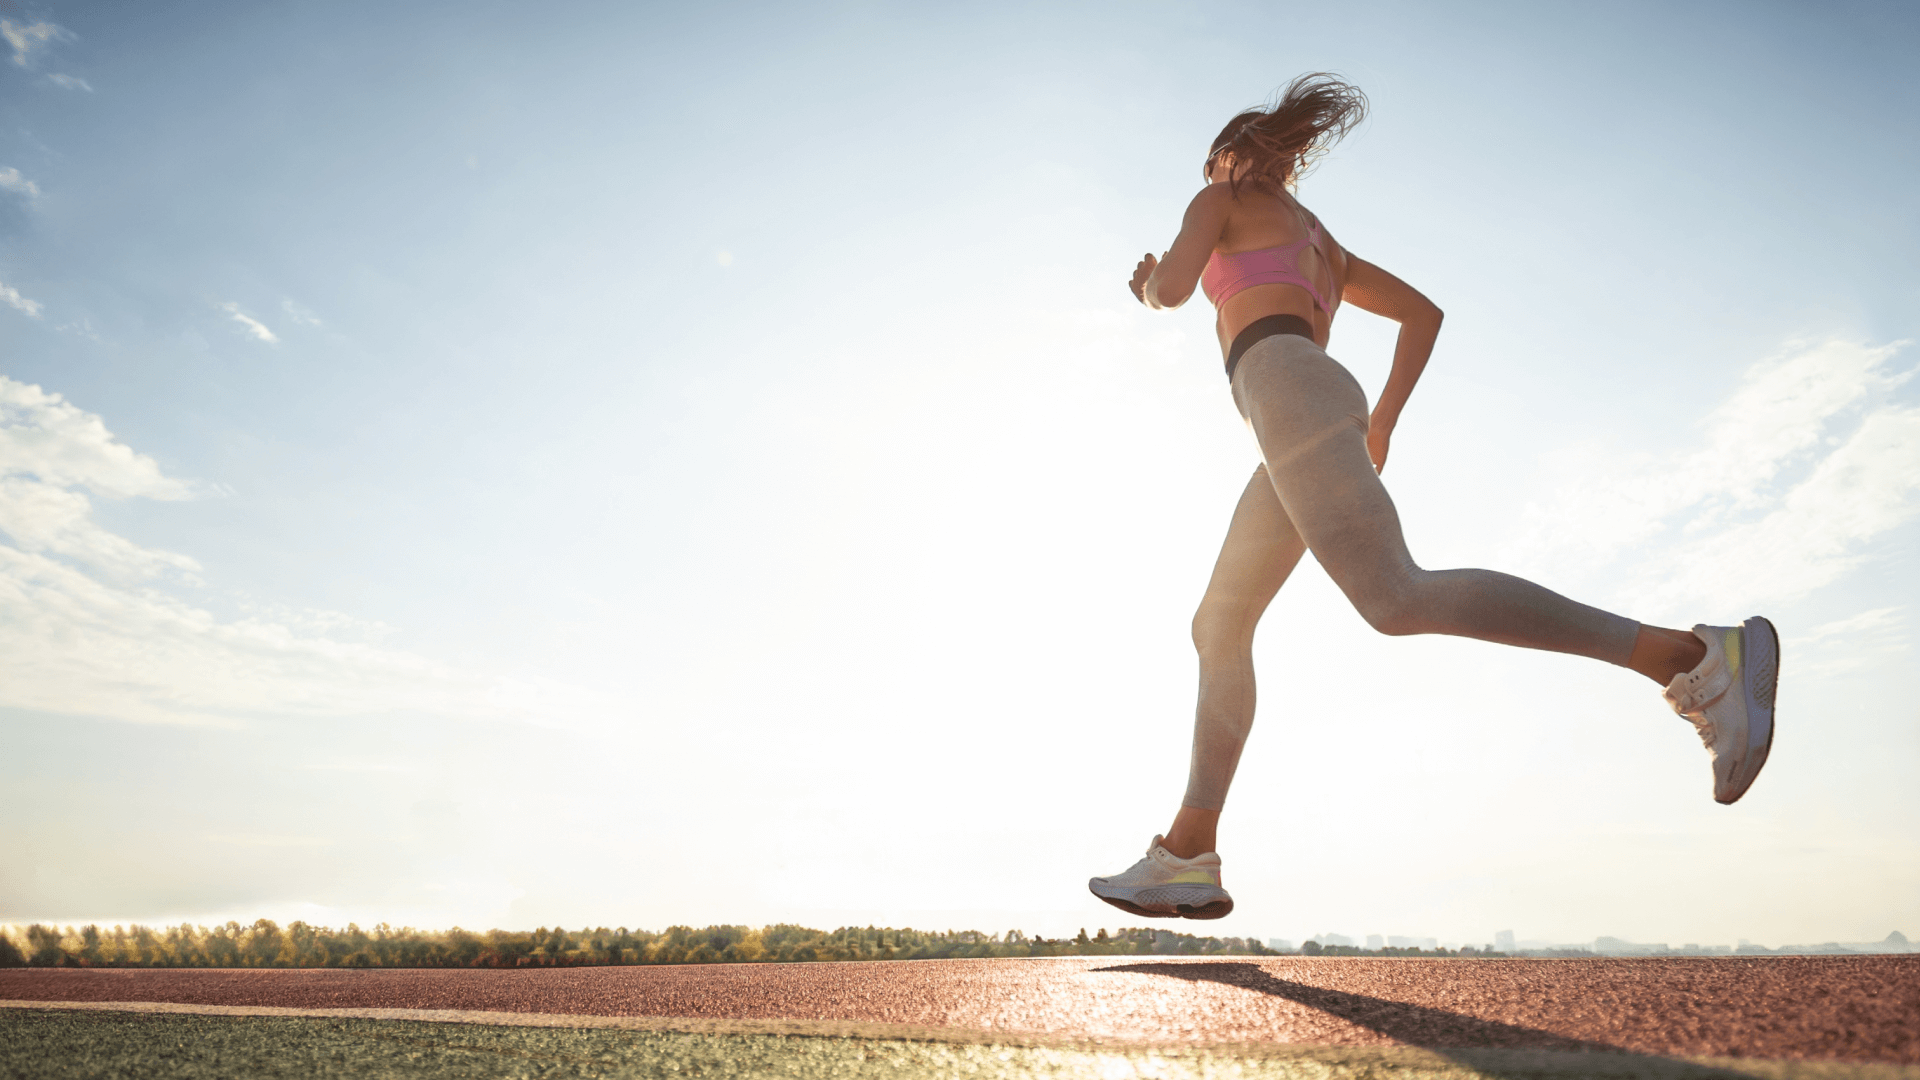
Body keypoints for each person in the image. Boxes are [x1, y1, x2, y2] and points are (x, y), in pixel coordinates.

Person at [1087, 74, 1779, 921]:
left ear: (1239, 155)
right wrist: (1378, 424)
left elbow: (1174, 290)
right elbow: (1423, 314)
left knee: (1394, 597)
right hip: (1303, 410)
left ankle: (1692, 659)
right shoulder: (1322, 244)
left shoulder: (1220, 196)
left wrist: (1151, 279)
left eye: (1217, 160)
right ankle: (1188, 853)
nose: (1212, 171)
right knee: (1220, 623)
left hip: (1287, 394)